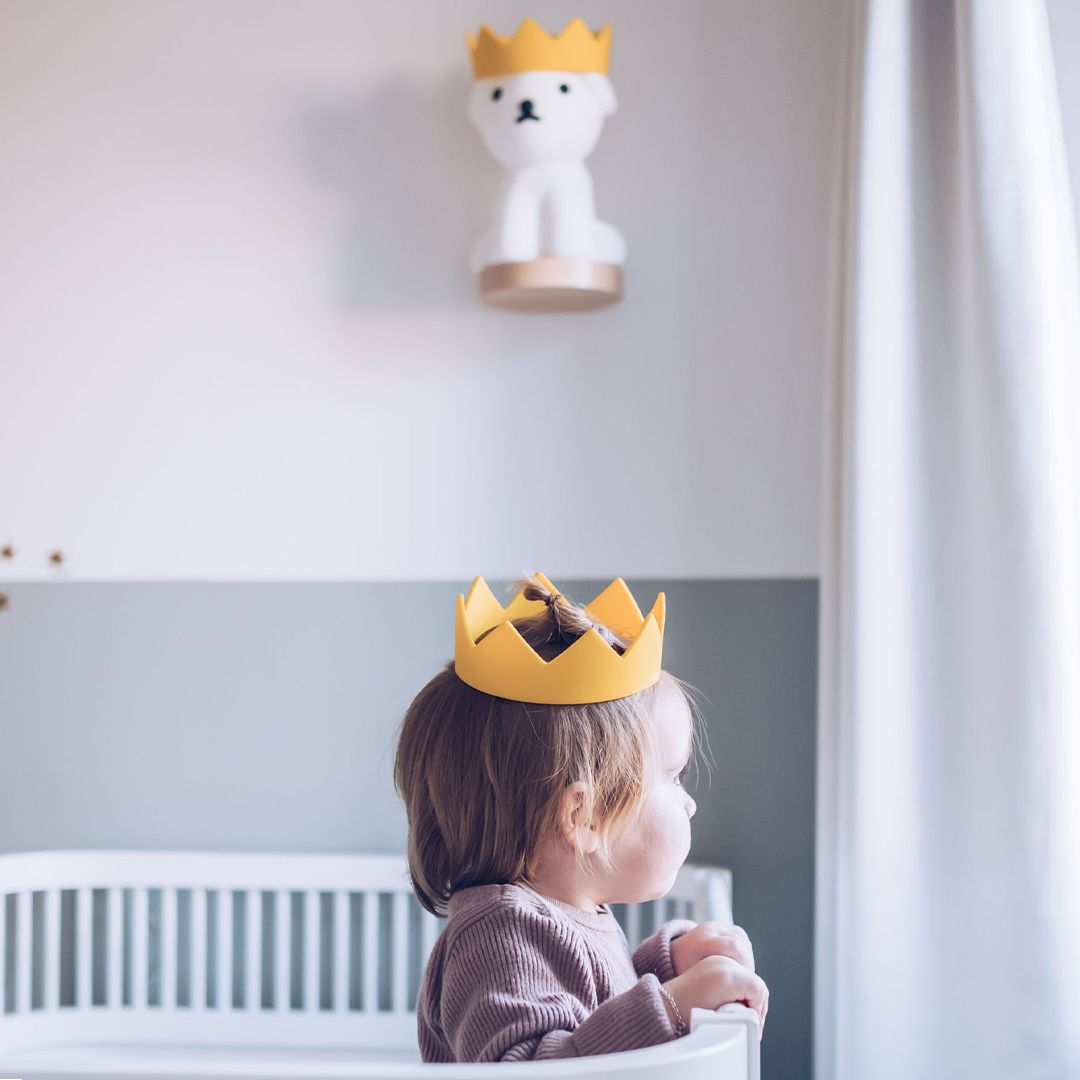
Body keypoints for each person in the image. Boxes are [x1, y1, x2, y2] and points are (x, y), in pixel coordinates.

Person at [393, 573, 769, 1063]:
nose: (688, 803)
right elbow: (541, 1068)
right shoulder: (499, 934)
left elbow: (589, 1017)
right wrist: (672, 1007)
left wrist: (668, 965)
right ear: (584, 816)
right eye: (673, 776)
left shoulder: (566, 914)